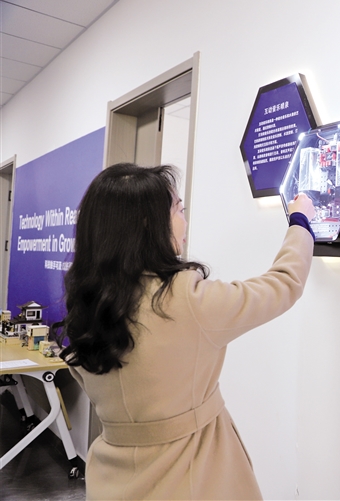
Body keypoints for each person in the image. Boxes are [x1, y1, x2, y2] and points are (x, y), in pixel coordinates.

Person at [60, 163, 315, 500]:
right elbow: (283, 285)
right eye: (179, 210)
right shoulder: (184, 298)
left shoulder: (87, 303)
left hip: (111, 478)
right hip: (192, 475)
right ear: (150, 225)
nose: (185, 221)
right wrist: (300, 222)